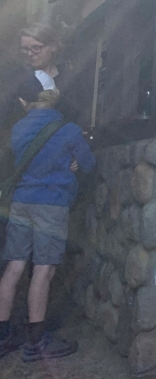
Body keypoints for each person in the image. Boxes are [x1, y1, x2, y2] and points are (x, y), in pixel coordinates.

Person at [0, 87, 95, 361]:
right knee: (43, 269)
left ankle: (3, 336)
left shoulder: (18, 129)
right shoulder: (69, 130)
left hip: (21, 202)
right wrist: (72, 161)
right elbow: (88, 163)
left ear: (24, 101)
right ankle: (36, 341)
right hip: (51, 204)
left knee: (14, 266)